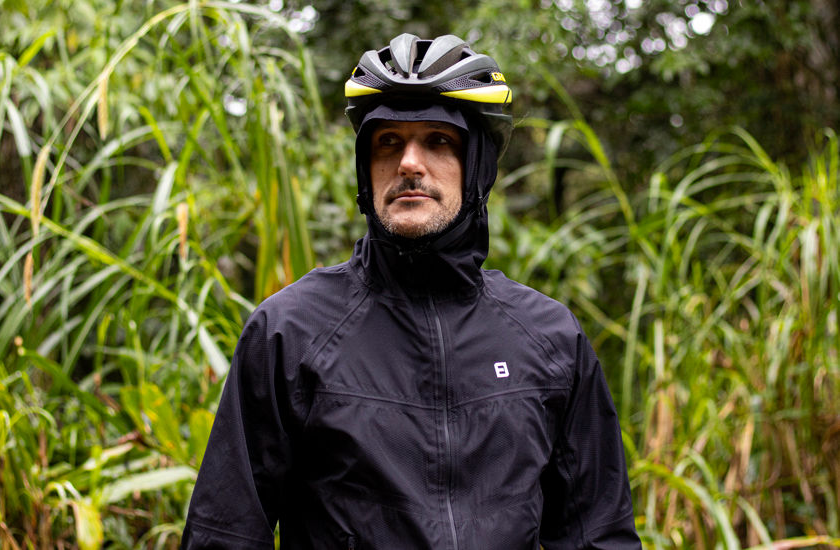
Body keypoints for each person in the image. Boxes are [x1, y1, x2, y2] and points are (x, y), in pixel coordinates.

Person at [181, 33, 640, 549]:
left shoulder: (549, 337)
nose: (408, 163)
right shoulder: (290, 332)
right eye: (388, 142)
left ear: (478, 167)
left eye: (438, 141)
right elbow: (224, 535)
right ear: (366, 167)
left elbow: (598, 535)